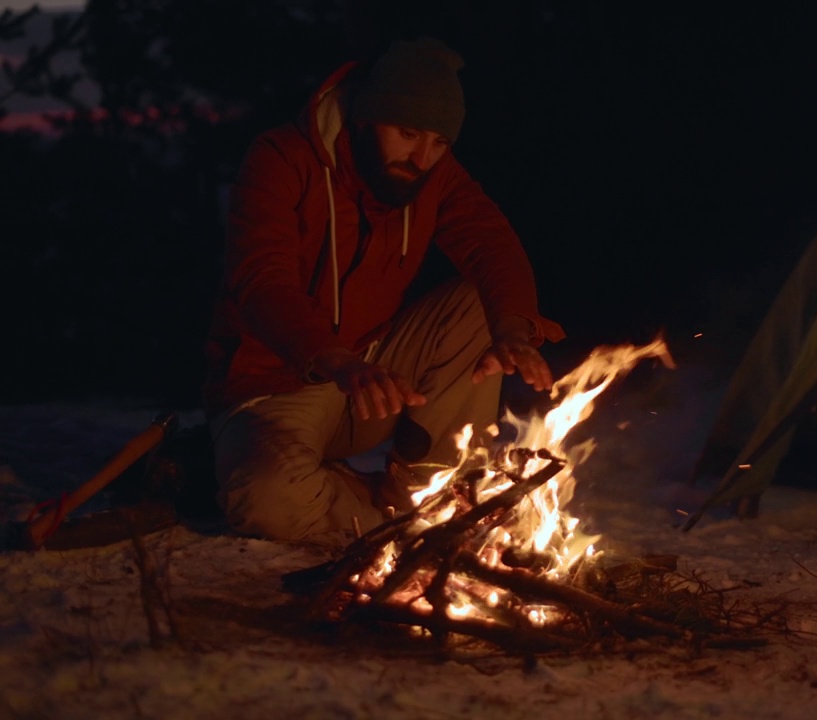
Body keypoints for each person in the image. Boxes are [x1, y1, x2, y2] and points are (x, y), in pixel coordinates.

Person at [201, 36, 565, 544]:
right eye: (408, 133)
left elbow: (491, 245)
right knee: (267, 503)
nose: (422, 158)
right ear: (367, 117)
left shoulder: (432, 175)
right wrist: (336, 360)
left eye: (439, 143)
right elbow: (262, 281)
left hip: (376, 377)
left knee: (478, 307)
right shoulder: (283, 159)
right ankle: (407, 528)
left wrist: (513, 331)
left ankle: (432, 494)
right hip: (273, 388)